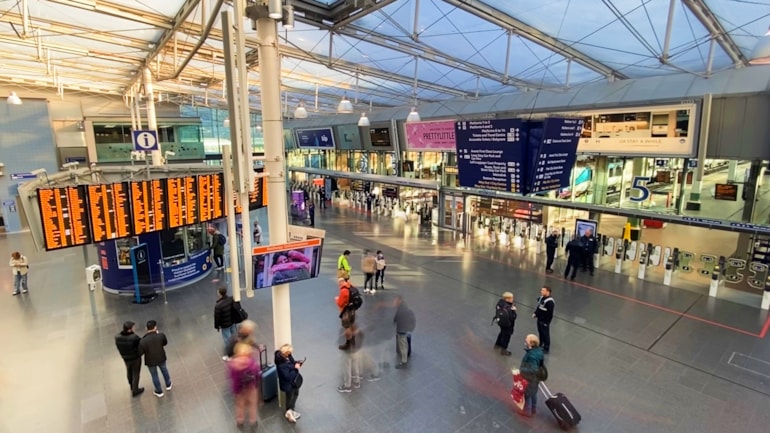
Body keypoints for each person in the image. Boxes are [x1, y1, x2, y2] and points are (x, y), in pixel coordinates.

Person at [228, 342, 260, 430]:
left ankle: (240, 421)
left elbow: (231, 377)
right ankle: (253, 422)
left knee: (239, 405)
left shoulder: (233, 364)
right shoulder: (251, 363)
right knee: (252, 404)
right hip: (251, 388)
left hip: (239, 390)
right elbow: (257, 373)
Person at [139, 320, 173, 397]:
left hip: (150, 361)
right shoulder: (161, 335)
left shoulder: (143, 340)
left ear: (146, 328)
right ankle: (168, 384)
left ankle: (159, 391)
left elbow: (141, 352)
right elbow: (165, 343)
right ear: (155, 327)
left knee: (154, 375)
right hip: (161, 357)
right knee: (164, 370)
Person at [518, 334, 546, 417]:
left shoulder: (531, 355)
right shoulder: (538, 351)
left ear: (531, 343)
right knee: (533, 393)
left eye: (527, 339)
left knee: (527, 395)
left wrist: (522, 370)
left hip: (530, 378)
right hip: (536, 378)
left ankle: (527, 411)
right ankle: (533, 409)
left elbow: (533, 369)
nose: (525, 339)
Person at [114, 321, 144, 397]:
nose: (135, 328)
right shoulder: (134, 337)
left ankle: (131, 385)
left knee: (129, 371)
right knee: (136, 373)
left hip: (126, 358)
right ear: (129, 330)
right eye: (133, 327)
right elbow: (141, 343)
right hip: (135, 358)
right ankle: (135, 389)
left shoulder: (118, 337)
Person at [275, 344, 303, 423]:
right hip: (288, 384)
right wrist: (295, 368)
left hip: (293, 383)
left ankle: (291, 409)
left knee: (296, 393)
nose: (291, 353)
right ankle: (289, 411)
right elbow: (287, 376)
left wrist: (297, 363)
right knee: (290, 397)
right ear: (286, 353)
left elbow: (292, 362)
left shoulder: (288, 356)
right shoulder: (281, 365)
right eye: (290, 352)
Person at [214, 287, 238, 361]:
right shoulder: (231, 299)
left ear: (219, 293)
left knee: (228, 340)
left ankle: (230, 355)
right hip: (233, 322)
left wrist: (217, 327)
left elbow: (217, 318)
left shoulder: (218, 306)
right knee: (235, 337)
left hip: (225, 325)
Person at [337, 324, 363, 393]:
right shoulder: (358, 332)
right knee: (355, 366)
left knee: (347, 369)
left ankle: (347, 386)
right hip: (356, 352)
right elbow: (361, 338)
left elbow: (340, 342)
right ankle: (357, 382)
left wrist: (342, 335)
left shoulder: (346, 334)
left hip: (348, 353)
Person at [393, 295, 416, 369]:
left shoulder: (400, 310)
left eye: (396, 301)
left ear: (399, 301)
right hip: (406, 329)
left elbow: (395, 319)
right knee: (405, 343)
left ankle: (404, 361)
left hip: (401, 330)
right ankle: (406, 356)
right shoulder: (407, 309)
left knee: (402, 345)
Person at [532, 287, 555, 354]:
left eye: (543, 290)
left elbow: (550, 314)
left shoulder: (550, 302)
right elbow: (539, 306)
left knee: (545, 334)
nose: (541, 291)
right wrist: (535, 313)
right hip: (539, 319)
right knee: (541, 333)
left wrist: (546, 322)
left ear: (548, 292)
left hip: (544, 321)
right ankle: (540, 344)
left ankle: (546, 348)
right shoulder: (542, 298)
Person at [335, 278, 356, 350]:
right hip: (353, 309)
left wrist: (337, 299)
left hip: (346, 311)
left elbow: (340, 303)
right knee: (352, 323)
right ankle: (353, 339)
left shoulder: (344, 290)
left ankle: (348, 344)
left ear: (341, 282)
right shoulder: (351, 286)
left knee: (347, 327)